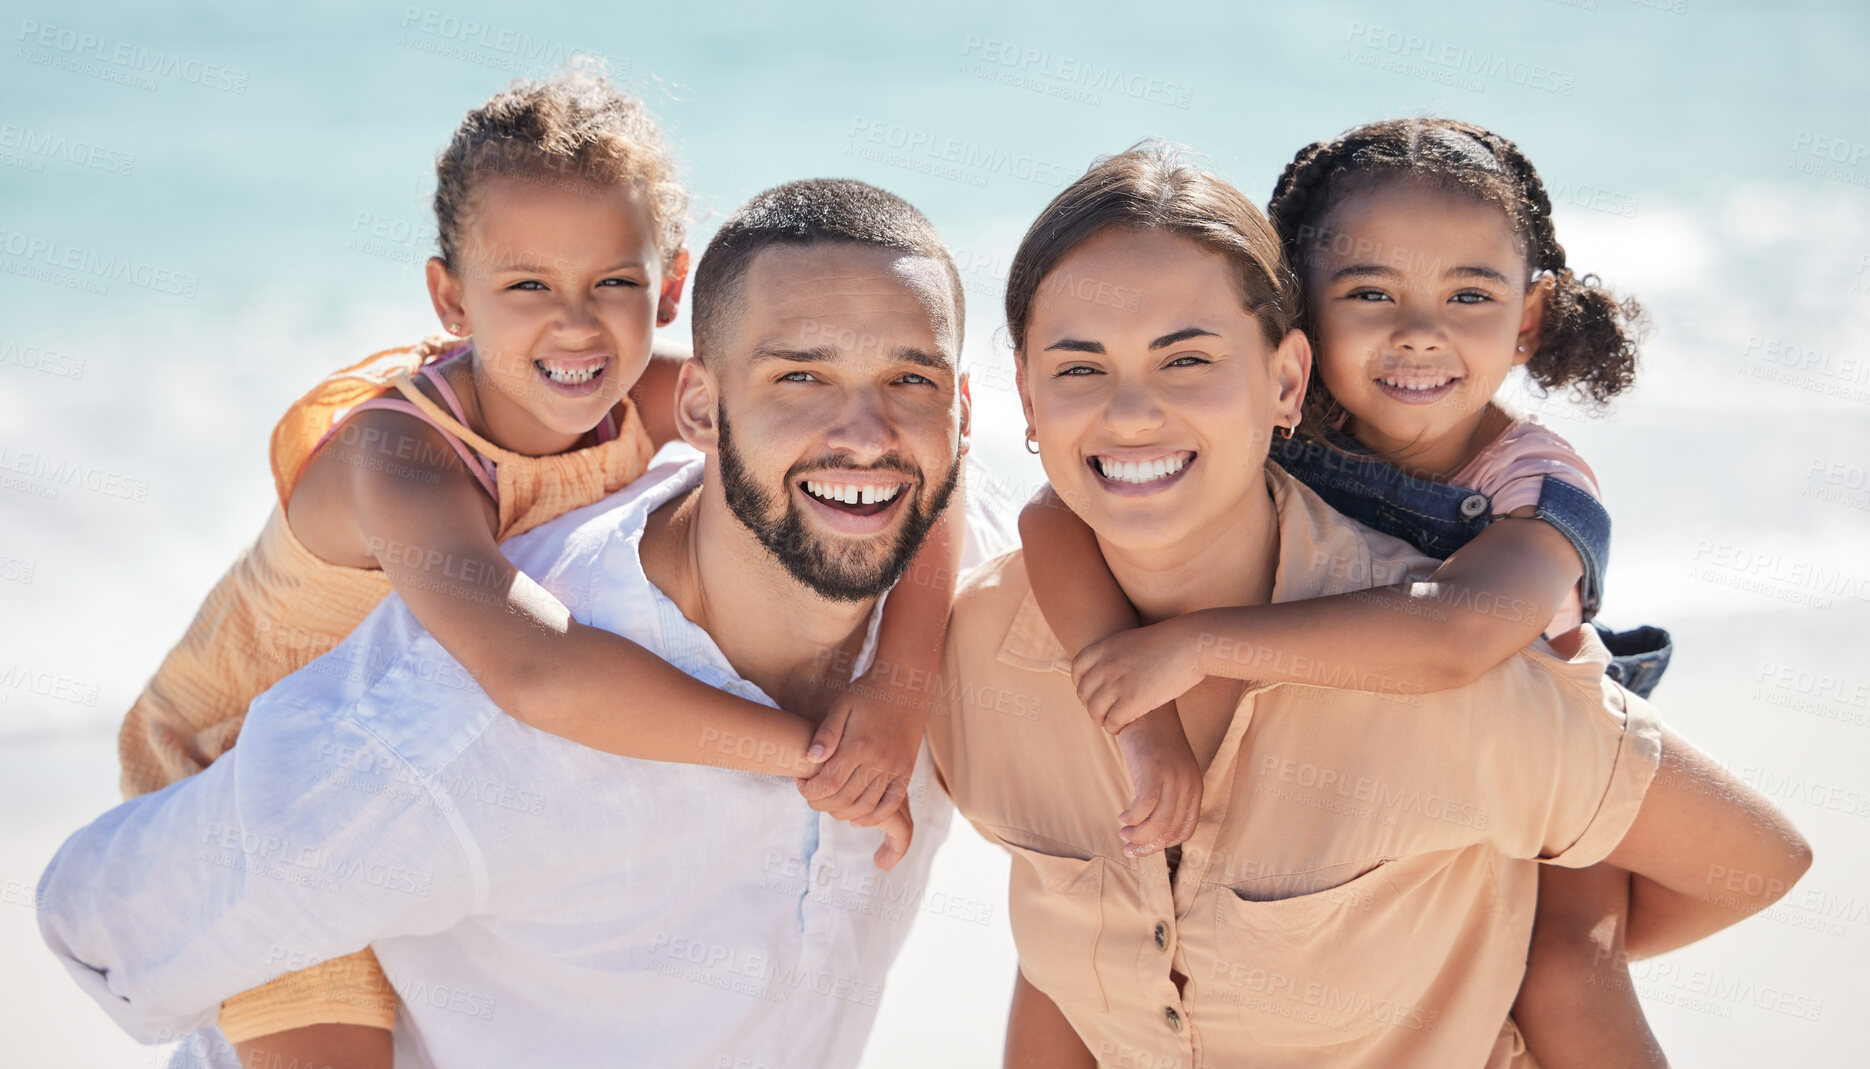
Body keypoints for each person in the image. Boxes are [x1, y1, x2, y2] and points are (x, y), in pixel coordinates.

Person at [42, 176, 1003, 1069]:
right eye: (801, 377)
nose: (870, 432)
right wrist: (811, 756)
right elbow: (95, 915)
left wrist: (900, 685)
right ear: (706, 409)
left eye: (911, 382)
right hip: (221, 735)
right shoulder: (438, 731)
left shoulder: (970, 574)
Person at [926, 144, 1811, 1068]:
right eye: (1079, 368)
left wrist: (1499, 953)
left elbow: (1458, 636)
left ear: (1283, 379)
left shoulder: (1531, 521)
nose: (1133, 410)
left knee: (1564, 971)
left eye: (1186, 357)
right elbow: (1047, 518)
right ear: (1022, 393)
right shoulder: (983, 653)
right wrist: (1139, 719)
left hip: (1508, 652)